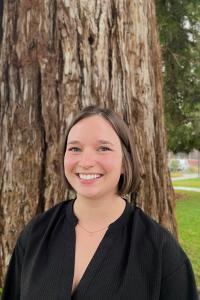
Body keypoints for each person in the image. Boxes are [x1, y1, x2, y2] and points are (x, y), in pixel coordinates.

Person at [2, 105, 198, 300]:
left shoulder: (161, 250)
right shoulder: (36, 234)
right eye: (75, 148)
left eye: (103, 148)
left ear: (125, 161)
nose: (86, 161)